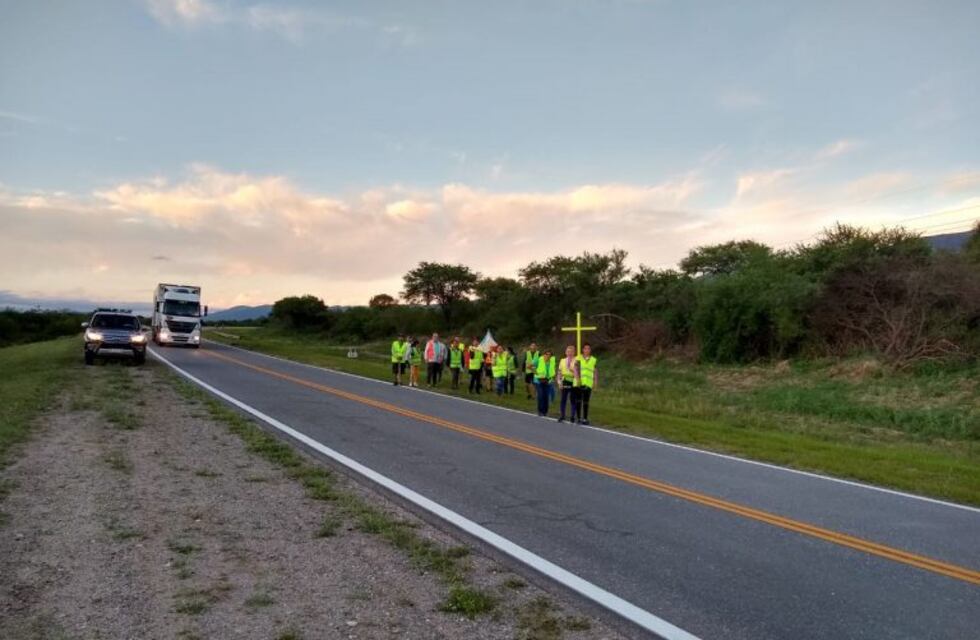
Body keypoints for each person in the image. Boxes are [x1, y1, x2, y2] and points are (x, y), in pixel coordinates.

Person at [557, 345, 581, 423]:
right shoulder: (562, 360)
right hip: (565, 381)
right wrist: (559, 382)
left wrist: (577, 381)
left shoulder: (577, 360)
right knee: (563, 399)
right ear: (565, 352)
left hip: (573, 381)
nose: (570, 353)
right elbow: (559, 373)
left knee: (573, 399)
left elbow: (578, 373)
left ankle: (572, 416)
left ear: (574, 353)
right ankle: (562, 415)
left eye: (571, 352)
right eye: (568, 351)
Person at [576, 343, 598, 425]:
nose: (587, 350)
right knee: (578, 401)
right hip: (580, 382)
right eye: (585, 348)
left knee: (586, 402)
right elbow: (575, 369)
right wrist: (577, 379)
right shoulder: (579, 358)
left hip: (588, 383)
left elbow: (595, 372)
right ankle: (578, 418)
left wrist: (595, 383)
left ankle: (585, 418)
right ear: (583, 350)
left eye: (588, 348)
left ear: (590, 350)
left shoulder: (593, 360)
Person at [534, 349, 556, 417]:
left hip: (548, 381)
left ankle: (545, 412)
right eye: (546, 354)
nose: (548, 356)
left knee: (546, 396)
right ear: (544, 354)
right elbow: (529, 366)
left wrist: (553, 377)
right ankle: (540, 411)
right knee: (541, 396)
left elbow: (553, 370)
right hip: (539, 381)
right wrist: (536, 373)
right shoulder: (539, 360)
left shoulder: (552, 362)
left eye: (550, 355)